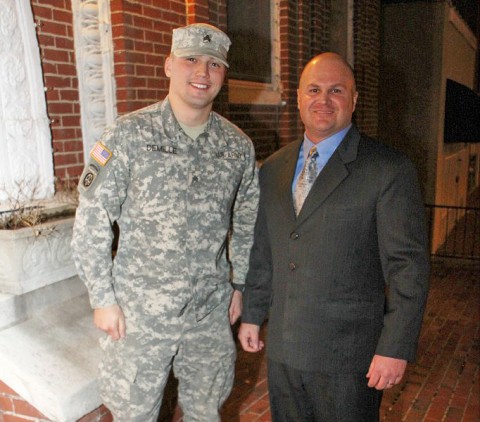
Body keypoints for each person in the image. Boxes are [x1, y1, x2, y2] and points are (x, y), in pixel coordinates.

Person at [72, 23, 259, 421]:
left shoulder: (237, 148)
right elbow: (92, 218)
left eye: (214, 64)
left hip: (208, 310)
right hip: (139, 314)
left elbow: (245, 222)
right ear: (169, 65)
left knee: (205, 411)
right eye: (191, 60)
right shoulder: (127, 135)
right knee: (132, 413)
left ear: (223, 75)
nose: (202, 72)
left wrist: (239, 284)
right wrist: (102, 298)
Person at [238, 52, 430, 421]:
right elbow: (264, 250)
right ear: (298, 97)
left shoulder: (387, 169)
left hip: (349, 357)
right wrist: (252, 314)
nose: (323, 100)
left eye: (336, 90)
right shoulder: (274, 168)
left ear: (354, 100)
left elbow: (408, 267)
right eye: (313, 89)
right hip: (285, 350)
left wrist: (395, 348)